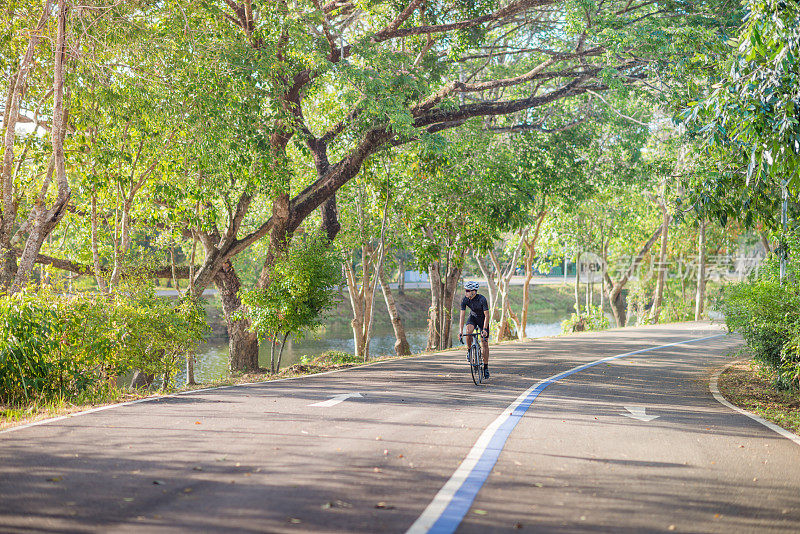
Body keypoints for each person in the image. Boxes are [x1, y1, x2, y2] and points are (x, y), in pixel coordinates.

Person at [459, 280, 490, 379]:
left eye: (467, 290)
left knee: (484, 343)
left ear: (473, 291)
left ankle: (485, 367)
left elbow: (487, 315)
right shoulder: (465, 300)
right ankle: (469, 351)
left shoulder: (482, 299)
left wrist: (484, 329)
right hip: (473, 317)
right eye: (465, 290)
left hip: (482, 320)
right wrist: (460, 331)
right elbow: (462, 316)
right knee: (468, 332)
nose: (466, 292)